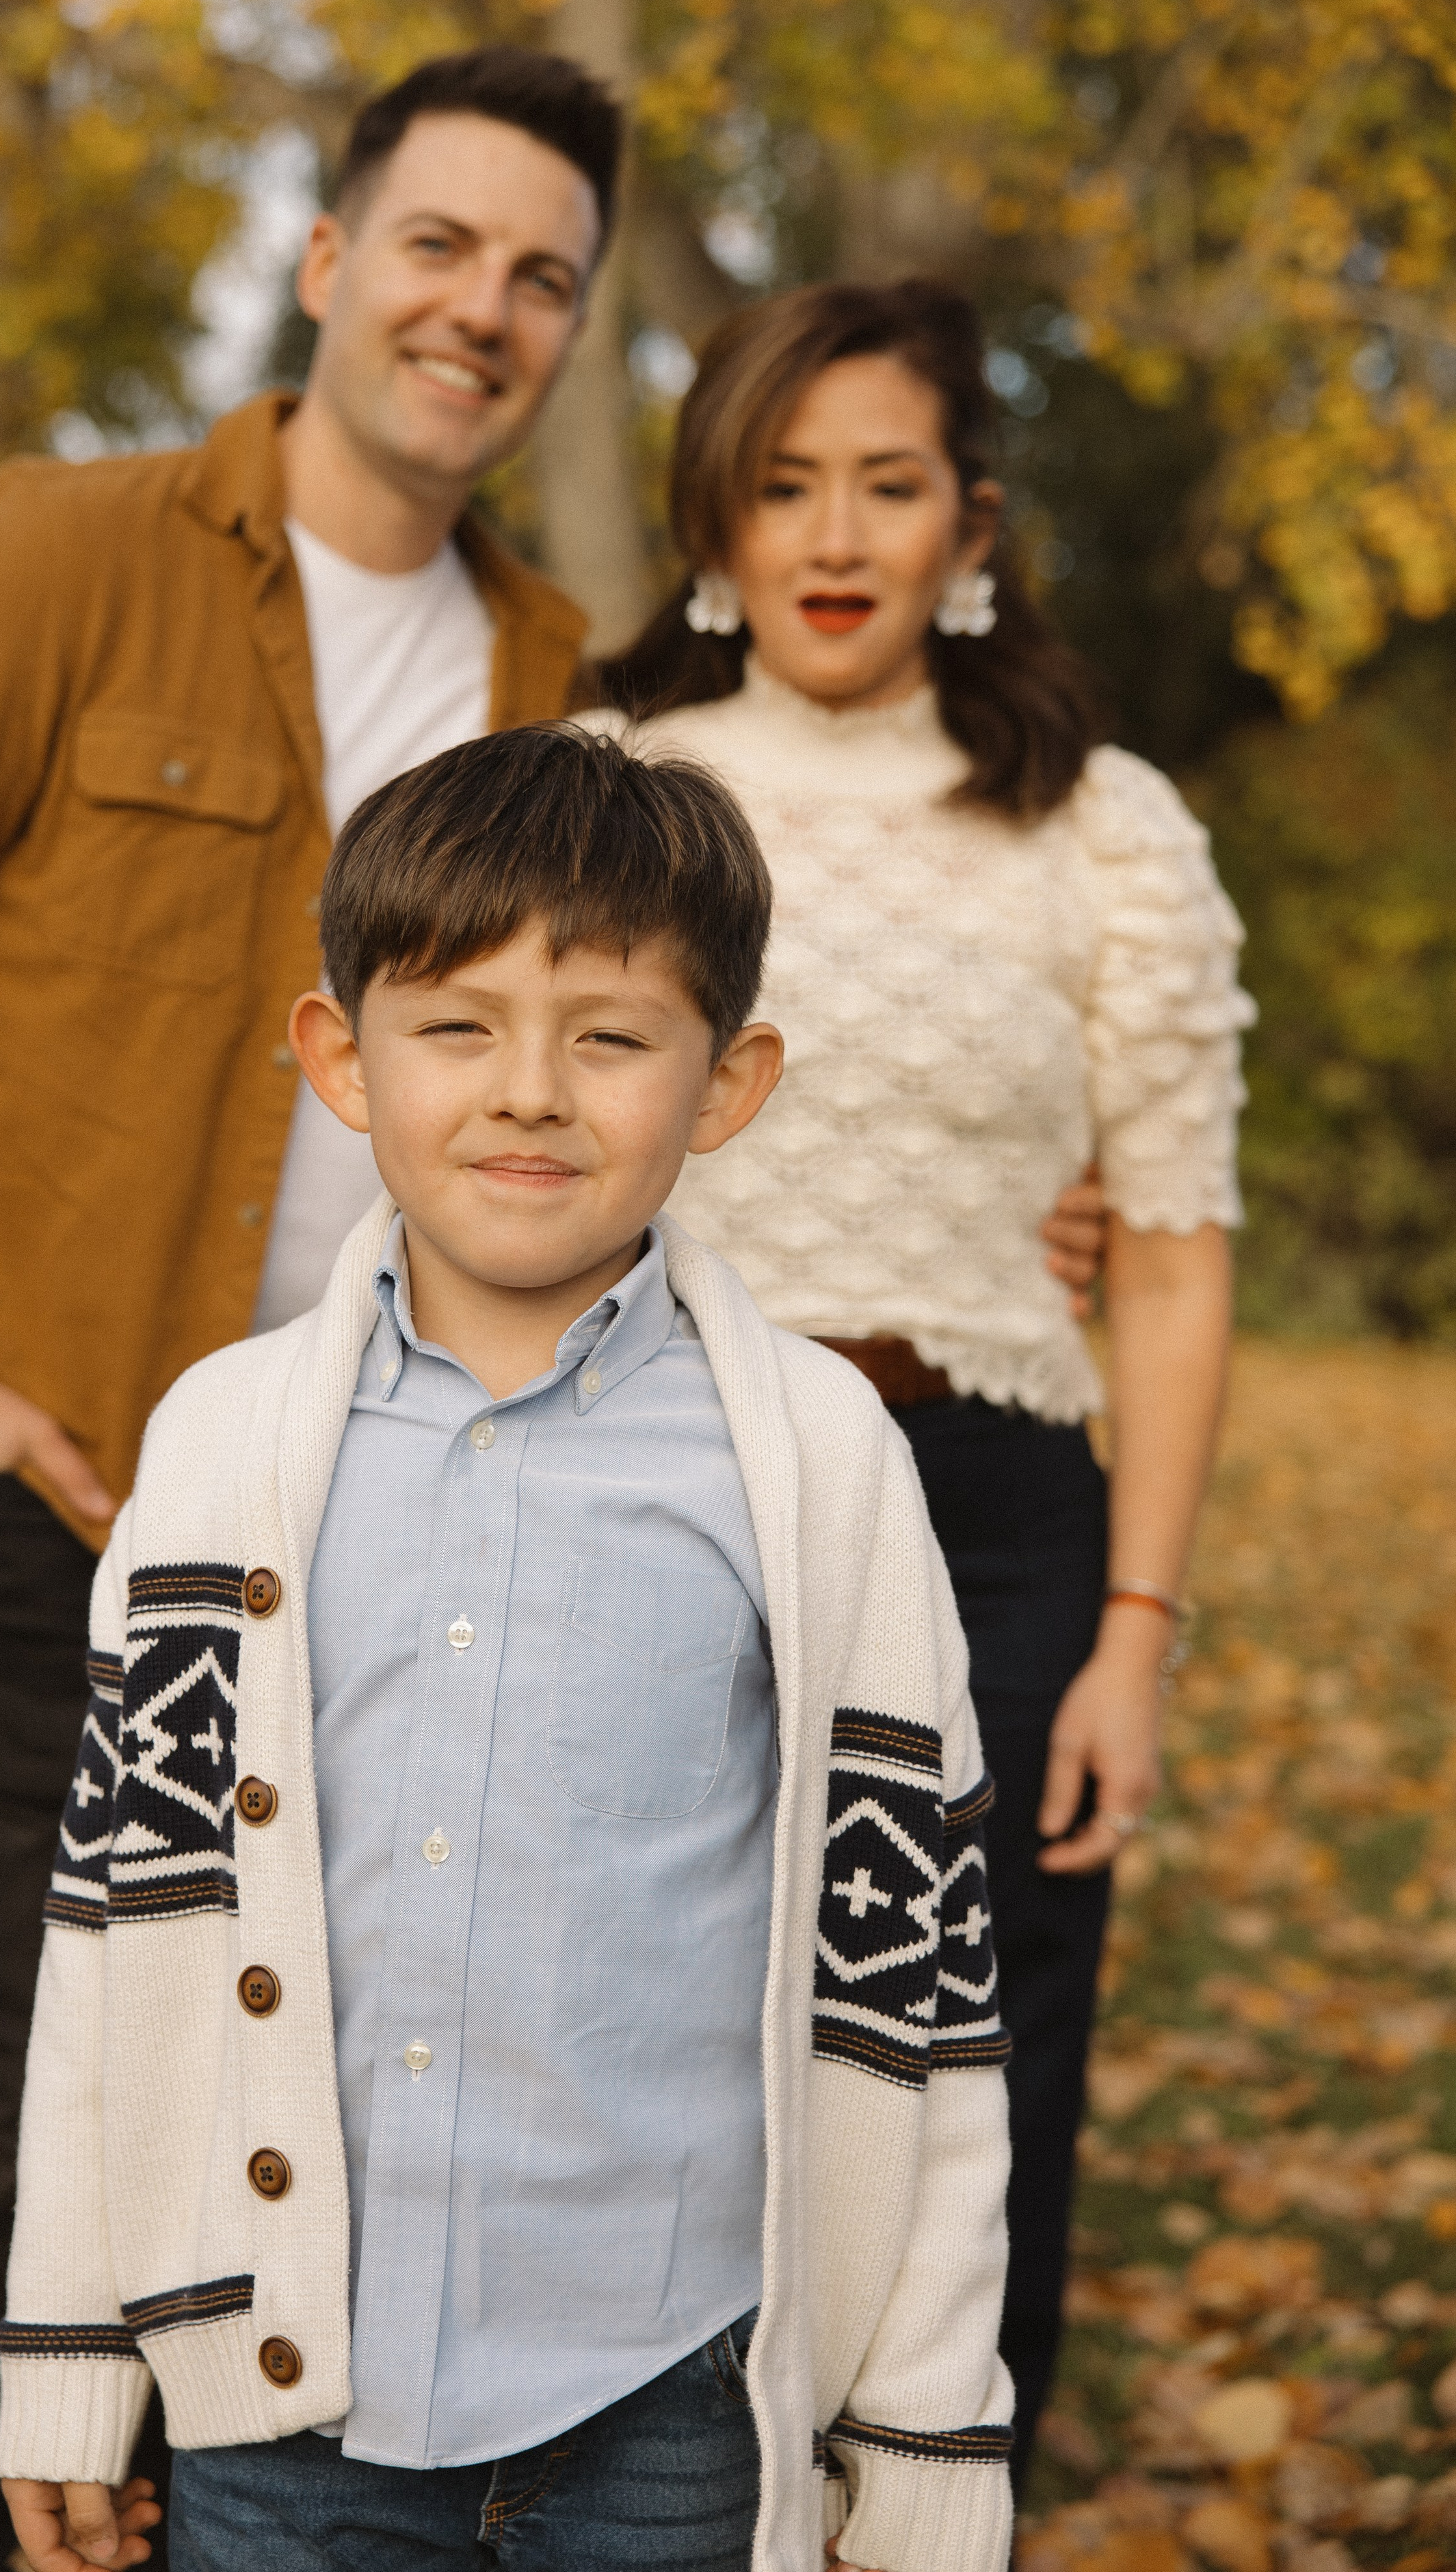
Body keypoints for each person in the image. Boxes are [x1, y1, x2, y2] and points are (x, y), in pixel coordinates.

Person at [0, 49, 620, 2571]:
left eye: (544, 275)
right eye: (440, 244)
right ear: (329, 262)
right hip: (33, 1500)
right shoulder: (58, 554)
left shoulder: (556, 660)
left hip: (375, 1531)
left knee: (285, 2122)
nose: (485, 308)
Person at [0, 722, 1016, 2572]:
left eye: (613, 1037)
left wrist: (926, 2442)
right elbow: (122, 1929)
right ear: (338, 1058)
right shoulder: (220, 1451)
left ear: (729, 1082)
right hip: (288, 2416)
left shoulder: (818, 1465)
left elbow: (917, 1981)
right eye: (457, 1025)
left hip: (677, 2406)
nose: (530, 1091)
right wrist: (71, 2350)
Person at [586, 278, 1254, 2495]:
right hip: (656, 1476)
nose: (835, 533)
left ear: (974, 519)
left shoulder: (1104, 828)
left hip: (995, 1517)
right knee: (640, 2047)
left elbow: (1166, 1253)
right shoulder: (612, 792)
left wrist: (1135, 1633)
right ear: (718, 521)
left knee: (967, 2069)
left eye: (888, 482)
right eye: (784, 487)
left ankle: (927, 2513)